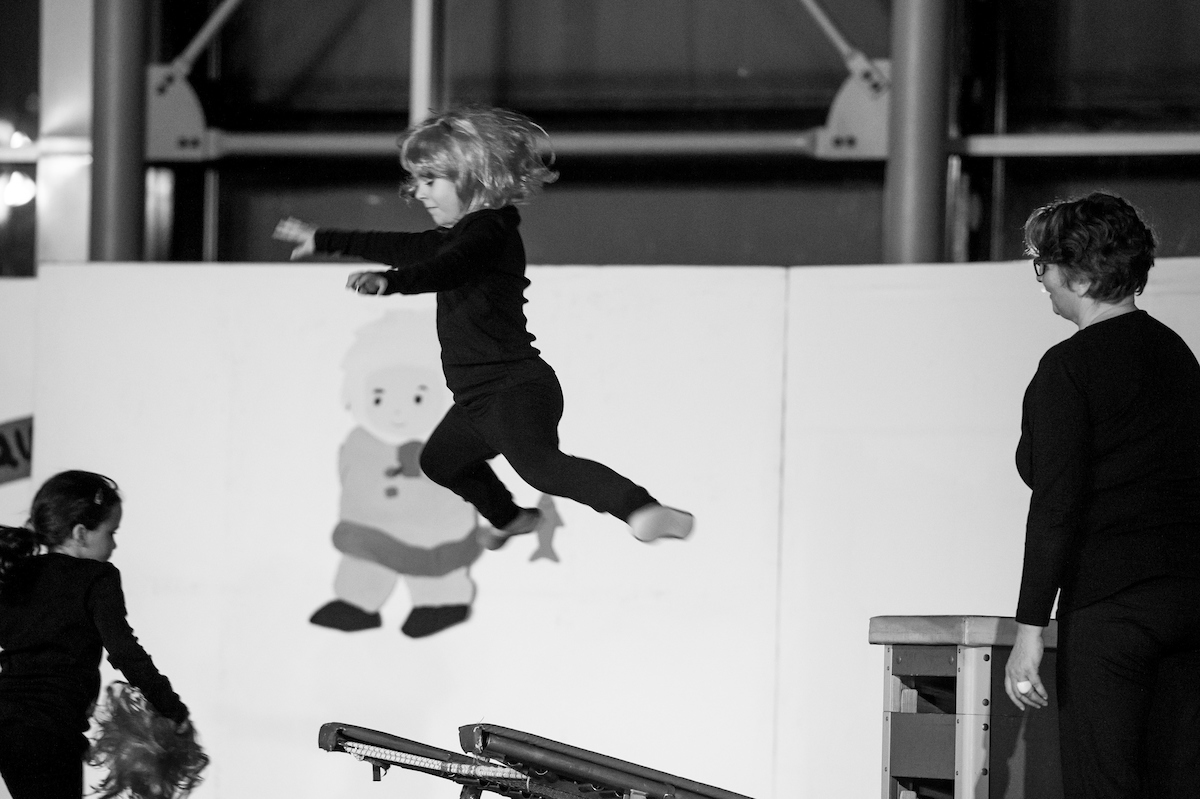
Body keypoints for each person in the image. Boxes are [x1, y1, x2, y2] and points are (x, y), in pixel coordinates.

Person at [273, 106, 693, 549]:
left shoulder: (490, 232)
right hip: (476, 400)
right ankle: (512, 519)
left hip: (513, 388)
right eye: (416, 182)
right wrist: (325, 239)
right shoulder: (460, 235)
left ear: (472, 176)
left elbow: (449, 268)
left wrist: (392, 282)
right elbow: (404, 246)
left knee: (542, 469)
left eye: (430, 181)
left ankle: (643, 509)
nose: (419, 193)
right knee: (441, 463)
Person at [1003, 192, 1200, 798]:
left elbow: (1055, 505)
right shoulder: (1177, 355)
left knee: (1103, 786)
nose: (1042, 279)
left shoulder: (1068, 368)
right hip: (1189, 604)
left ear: (1083, 277)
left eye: (1045, 265)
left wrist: (1030, 629)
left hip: (1111, 611)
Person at [0, 470, 200, 799]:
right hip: (50, 729)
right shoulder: (97, 577)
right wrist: (171, 708)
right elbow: (125, 652)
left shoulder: (17, 573)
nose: (114, 544)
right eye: (111, 532)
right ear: (81, 533)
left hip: (8, 722)